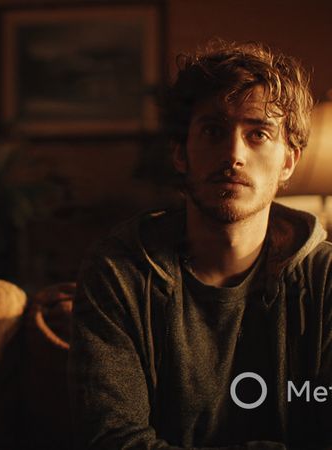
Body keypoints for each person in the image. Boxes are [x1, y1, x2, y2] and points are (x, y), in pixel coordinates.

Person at [69, 40, 332, 449]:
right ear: (180, 153)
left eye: (258, 133)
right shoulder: (118, 272)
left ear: (289, 162)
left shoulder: (325, 277)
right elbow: (113, 439)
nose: (233, 154)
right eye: (213, 131)